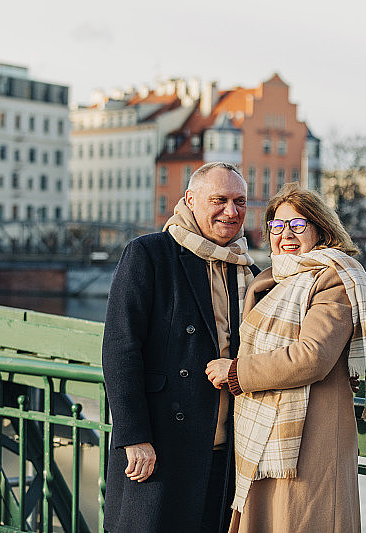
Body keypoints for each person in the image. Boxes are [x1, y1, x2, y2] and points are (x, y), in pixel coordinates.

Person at [205, 182, 366, 532]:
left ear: (321, 230)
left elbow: (312, 357)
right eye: (277, 226)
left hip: (311, 440)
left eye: (297, 225)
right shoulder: (272, 280)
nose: (285, 234)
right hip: (266, 436)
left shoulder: (334, 276)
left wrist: (236, 373)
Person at [102, 162, 261, 532]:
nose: (231, 211)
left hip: (225, 450)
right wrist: (134, 436)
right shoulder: (151, 254)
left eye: (240, 201)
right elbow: (120, 348)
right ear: (190, 200)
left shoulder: (248, 273)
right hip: (160, 444)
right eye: (219, 200)